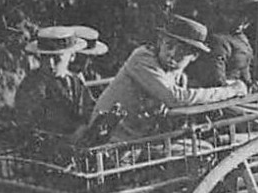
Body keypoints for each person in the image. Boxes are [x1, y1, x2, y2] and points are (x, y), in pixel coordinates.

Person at [91, 14, 247, 142]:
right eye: (169, 45)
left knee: (203, 144)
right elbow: (176, 98)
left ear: (194, 56)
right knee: (201, 152)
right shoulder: (142, 58)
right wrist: (231, 91)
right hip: (109, 144)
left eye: (181, 51)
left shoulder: (178, 78)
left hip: (138, 140)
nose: (172, 54)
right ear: (160, 42)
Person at [187, 0, 258, 91]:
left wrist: (250, 84)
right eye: (237, 14)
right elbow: (216, 82)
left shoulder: (241, 38)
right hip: (224, 98)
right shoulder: (218, 40)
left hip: (241, 94)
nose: (243, 20)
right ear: (224, 12)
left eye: (249, 15)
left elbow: (243, 68)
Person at [13, 25, 97, 136]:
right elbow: (27, 126)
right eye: (45, 58)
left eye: (57, 58)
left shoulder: (75, 83)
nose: (51, 64)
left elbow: (89, 111)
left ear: (72, 56)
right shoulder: (32, 86)